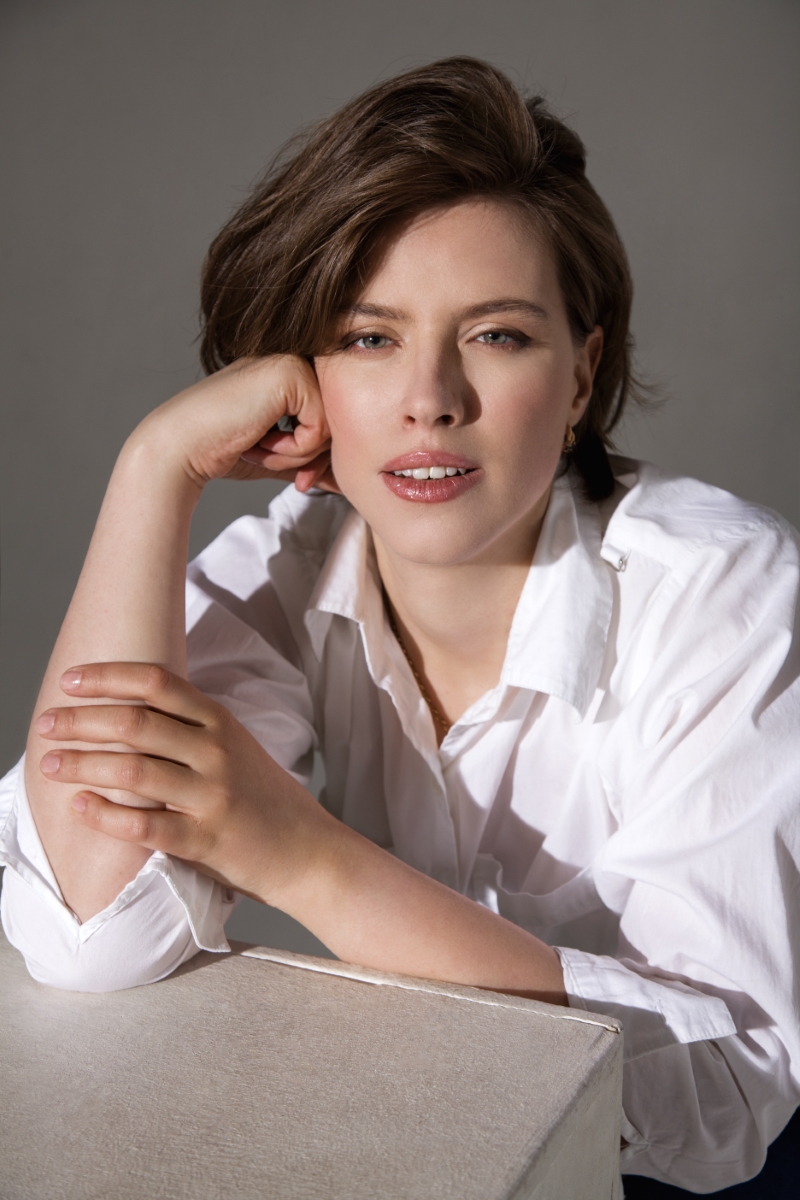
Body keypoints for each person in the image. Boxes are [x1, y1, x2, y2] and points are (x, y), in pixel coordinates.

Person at [1, 57, 798, 1196]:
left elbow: (723, 1106)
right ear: (301, 378)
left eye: (497, 335)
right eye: (369, 338)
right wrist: (155, 467)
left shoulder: (730, 592)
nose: (430, 398)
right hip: (465, 1142)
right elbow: (89, 936)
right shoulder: (289, 563)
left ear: (581, 377)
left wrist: (305, 859)